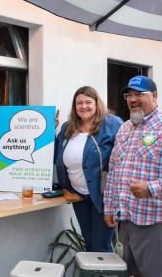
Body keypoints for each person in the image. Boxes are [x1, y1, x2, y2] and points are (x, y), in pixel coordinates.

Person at [104, 76, 162, 277]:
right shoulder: (125, 127)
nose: (132, 99)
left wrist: (151, 188)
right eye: (129, 95)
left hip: (154, 222)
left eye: (139, 94)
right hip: (125, 219)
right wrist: (110, 207)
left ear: (154, 96)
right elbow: (113, 171)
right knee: (129, 272)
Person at [55, 86, 122, 252]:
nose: (83, 106)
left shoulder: (112, 124)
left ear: (97, 103)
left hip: (102, 197)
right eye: (79, 103)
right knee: (89, 243)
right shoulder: (67, 127)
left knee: (101, 246)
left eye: (88, 102)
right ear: (74, 106)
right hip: (78, 196)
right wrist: (49, 129)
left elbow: (123, 157)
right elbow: (55, 152)